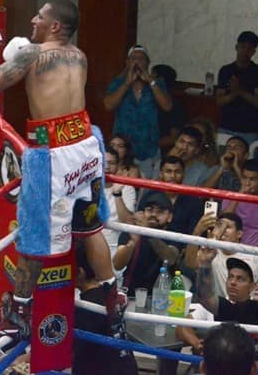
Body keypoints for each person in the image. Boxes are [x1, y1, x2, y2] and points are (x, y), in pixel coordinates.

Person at [0, 0, 126, 341]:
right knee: (89, 226)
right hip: (85, 146)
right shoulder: (80, 55)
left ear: (55, 26)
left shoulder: (32, 54)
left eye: (40, 16)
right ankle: (113, 294)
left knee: (34, 235)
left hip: (53, 153)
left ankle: (20, 313)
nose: (33, 18)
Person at [104, 44, 173, 179]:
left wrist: (151, 82)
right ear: (127, 63)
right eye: (133, 58)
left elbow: (167, 106)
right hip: (123, 149)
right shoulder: (118, 82)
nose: (137, 62)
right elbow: (108, 105)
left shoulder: (157, 83)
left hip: (149, 149)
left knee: (147, 188)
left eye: (141, 59)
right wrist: (127, 83)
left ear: (148, 63)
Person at [74, 243, 138, 375]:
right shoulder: (112, 297)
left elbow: (70, 349)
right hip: (126, 367)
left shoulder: (88, 309)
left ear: (80, 272)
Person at [176, 258, 258, 358]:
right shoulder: (215, 304)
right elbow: (182, 326)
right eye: (230, 277)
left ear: (252, 286)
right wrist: (197, 344)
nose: (233, 282)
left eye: (240, 279)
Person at [184, 213, 258, 299]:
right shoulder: (211, 251)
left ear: (239, 234)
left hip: (248, 307)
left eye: (228, 227)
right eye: (219, 226)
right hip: (218, 306)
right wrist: (197, 232)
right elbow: (190, 263)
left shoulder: (255, 255)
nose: (223, 230)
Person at [113, 192, 179, 296]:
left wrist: (147, 232)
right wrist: (133, 242)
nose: (154, 214)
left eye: (160, 211)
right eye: (150, 210)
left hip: (162, 296)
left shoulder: (173, 235)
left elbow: (170, 258)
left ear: (170, 217)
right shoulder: (132, 232)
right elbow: (117, 265)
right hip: (132, 294)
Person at [216, 31, 258, 145]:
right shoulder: (225, 70)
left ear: (253, 51)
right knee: (221, 160)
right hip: (226, 128)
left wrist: (240, 90)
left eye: (249, 49)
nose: (245, 51)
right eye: (242, 47)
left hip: (249, 131)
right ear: (236, 47)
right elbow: (219, 101)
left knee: (248, 162)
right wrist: (236, 93)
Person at [140, 156, 203, 237]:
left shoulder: (194, 201)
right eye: (168, 171)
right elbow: (140, 222)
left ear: (183, 174)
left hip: (181, 246)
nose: (173, 176)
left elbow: (194, 234)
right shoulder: (149, 196)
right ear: (161, 174)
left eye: (177, 172)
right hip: (149, 242)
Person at [103, 147, 136, 257]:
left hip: (113, 245)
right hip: (89, 242)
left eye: (111, 163)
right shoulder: (87, 185)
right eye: (103, 162)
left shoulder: (127, 188)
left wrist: (117, 194)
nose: (107, 167)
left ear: (117, 166)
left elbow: (127, 222)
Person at [151, 64, 186, 156]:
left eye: (152, 77)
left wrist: (149, 145)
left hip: (162, 152)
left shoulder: (174, 106)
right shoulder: (147, 102)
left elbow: (173, 138)